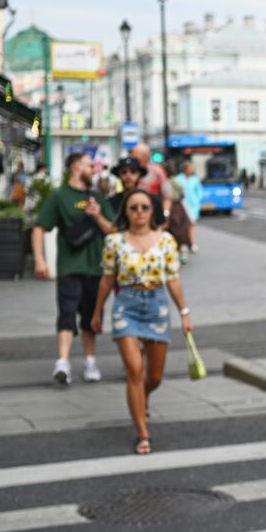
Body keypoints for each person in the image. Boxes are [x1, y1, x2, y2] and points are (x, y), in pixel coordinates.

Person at [90, 188, 191, 455]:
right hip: (127, 306)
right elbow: (107, 279)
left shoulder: (166, 241)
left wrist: (184, 312)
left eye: (144, 208)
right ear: (125, 211)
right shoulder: (114, 241)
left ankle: (142, 397)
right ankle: (142, 433)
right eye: (133, 208)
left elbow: (173, 279)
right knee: (135, 370)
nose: (139, 213)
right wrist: (97, 312)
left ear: (152, 211)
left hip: (157, 305)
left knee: (154, 376)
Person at [30, 151, 117, 385]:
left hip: (95, 268)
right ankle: (63, 362)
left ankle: (90, 361)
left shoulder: (98, 198)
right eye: (90, 166)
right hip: (69, 267)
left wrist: (98, 216)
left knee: (91, 317)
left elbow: (112, 230)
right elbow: (39, 228)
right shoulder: (59, 197)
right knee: (67, 313)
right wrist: (40, 260)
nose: (94, 170)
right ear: (77, 167)